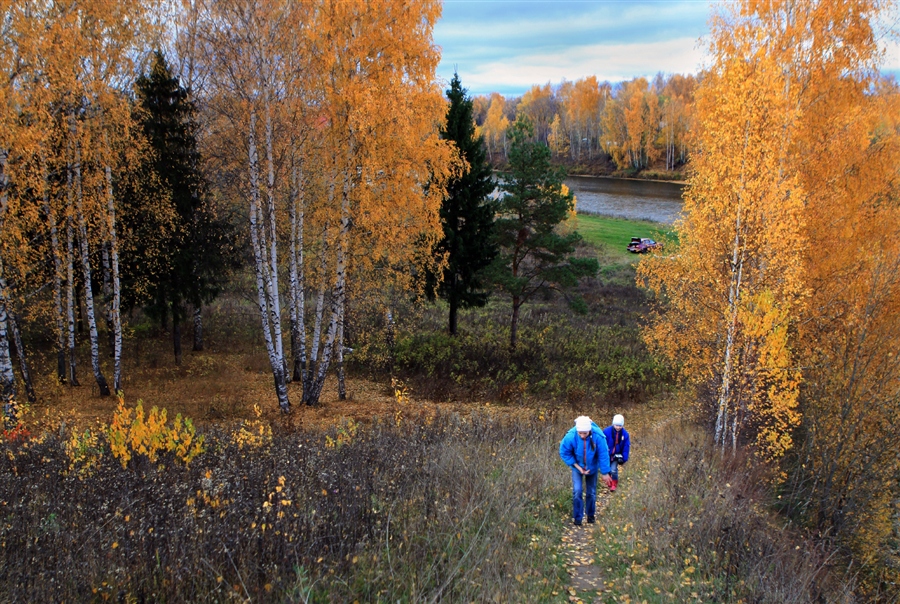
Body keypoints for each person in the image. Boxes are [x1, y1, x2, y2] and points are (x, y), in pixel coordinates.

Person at [559, 415, 612, 525]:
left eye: (585, 433)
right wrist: (578, 467)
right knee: (577, 491)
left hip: (592, 467)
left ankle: (590, 515)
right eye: (580, 433)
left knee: (591, 492)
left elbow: (603, 454)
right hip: (577, 467)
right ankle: (578, 518)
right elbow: (564, 452)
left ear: (589, 430)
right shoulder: (570, 436)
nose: (582, 436)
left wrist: (605, 472)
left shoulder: (598, 436)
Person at [603, 414, 630, 492]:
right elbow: (601, 443)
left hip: (616, 455)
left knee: (613, 469)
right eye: (616, 425)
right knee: (608, 469)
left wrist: (624, 458)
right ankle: (609, 481)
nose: (618, 427)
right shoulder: (606, 431)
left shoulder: (625, 434)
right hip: (607, 455)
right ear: (613, 424)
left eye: (620, 426)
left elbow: (626, 446)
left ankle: (614, 483)